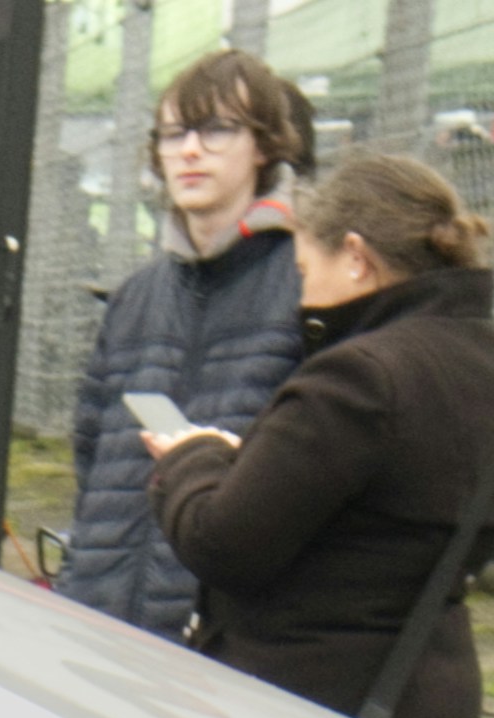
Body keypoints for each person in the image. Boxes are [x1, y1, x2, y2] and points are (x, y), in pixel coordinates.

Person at [135, 154, 494, 718]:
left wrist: (191, 457)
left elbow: (222, 542)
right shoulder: (487, 363)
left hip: (313, 702)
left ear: (356, 257)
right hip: (427, 691)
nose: (303, 295)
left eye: (306, 270)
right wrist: (251, 463)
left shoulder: (358, 376)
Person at [57, 49, 317, 641]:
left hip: (226, 635)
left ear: (265, 145)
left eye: (217, 129)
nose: (190, 151)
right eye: (174, 134)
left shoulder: (308, 283)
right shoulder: (135, 297)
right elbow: (90, 461)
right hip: (103, 620)